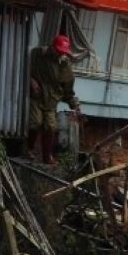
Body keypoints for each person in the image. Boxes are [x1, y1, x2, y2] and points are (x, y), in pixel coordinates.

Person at [27, 34, 81, 164]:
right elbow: (25, 67)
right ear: (52, 47)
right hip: (37, 96)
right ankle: (28, 149)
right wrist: (30, 80)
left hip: (51, 100)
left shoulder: (65, 66)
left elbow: (68, 91)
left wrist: (75, 105)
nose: (60, 54)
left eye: (63, 52)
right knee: (35, 123)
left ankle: (47, 157)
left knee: (51, 127)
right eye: (58, 51)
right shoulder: (38, 54)